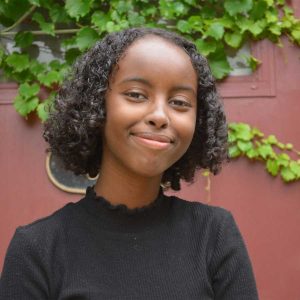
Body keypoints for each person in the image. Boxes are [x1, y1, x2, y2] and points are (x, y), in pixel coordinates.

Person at [0, 27, 259, 299]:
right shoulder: (38, 249)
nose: (160, 115)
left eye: (179, 102)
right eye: (136, 94)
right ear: (98, 105)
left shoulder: (213, 235)